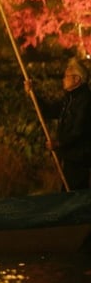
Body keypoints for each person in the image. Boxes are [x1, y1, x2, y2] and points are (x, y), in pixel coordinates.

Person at [26, 57, 91, 191]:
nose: (63, 79)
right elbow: (49, 111)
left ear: (77, 79)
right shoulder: (69, 99)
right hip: (69, 157)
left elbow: (79, 130)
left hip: (80, 159)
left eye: (66, 76)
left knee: (75, 195)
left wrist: (59, 143)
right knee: (68, 193)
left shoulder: (86, 101)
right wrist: (32, 94)